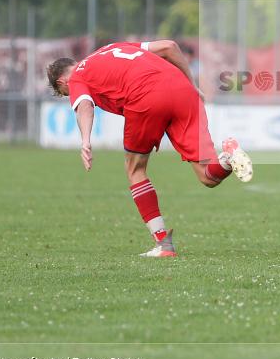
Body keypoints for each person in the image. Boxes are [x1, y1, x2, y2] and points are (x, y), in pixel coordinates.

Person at [47, 39, 253, 257]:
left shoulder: (77, 75)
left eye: (66, 94)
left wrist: (85, 141)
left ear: (62, 82)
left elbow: (85, 106)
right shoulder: (112, 48)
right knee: (208, 176)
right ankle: (228, 157)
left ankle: (163, 245)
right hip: (182, 90)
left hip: (145, 96)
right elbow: (170, 47)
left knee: (135, 169)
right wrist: (191, 85)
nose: (71, 96)